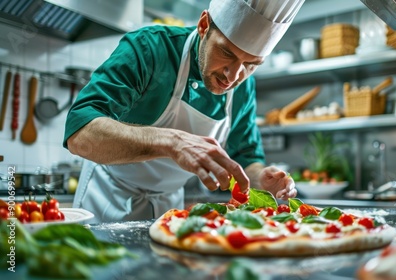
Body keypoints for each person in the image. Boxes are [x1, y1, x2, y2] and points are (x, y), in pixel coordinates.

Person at [63, 0, 305, 223]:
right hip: (106, 198)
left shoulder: (243, 86)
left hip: (170, 209)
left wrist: (259, 178)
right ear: (203, 25)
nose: (233, 76)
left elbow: (245, 157)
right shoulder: (150, 48)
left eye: (251, 64)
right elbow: (80, 133)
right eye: (227, 53)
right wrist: (171, 142)